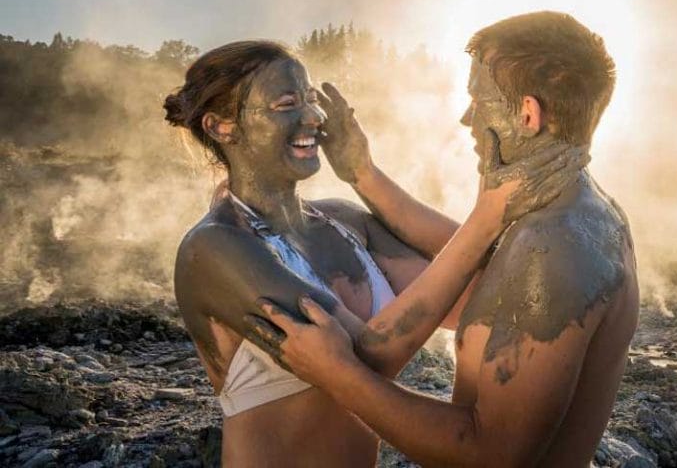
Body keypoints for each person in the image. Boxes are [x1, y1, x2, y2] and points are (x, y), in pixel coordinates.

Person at [248, 12, 641, 468]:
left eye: (478, 99)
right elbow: (473, 254)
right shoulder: (582, 208)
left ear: (527, 114)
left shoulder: (552, 247)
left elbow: (490, 454)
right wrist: (362, 173)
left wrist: (340, 375)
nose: (466, 117)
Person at [165, 40, 583, 467]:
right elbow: (364, 361)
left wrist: (362, 173)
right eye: (286, 103)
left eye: (311, 99)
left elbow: (489, 294)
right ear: (222, 127)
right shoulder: (215, 248)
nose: (313, 116)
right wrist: (486, 218)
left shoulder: (345, 222)